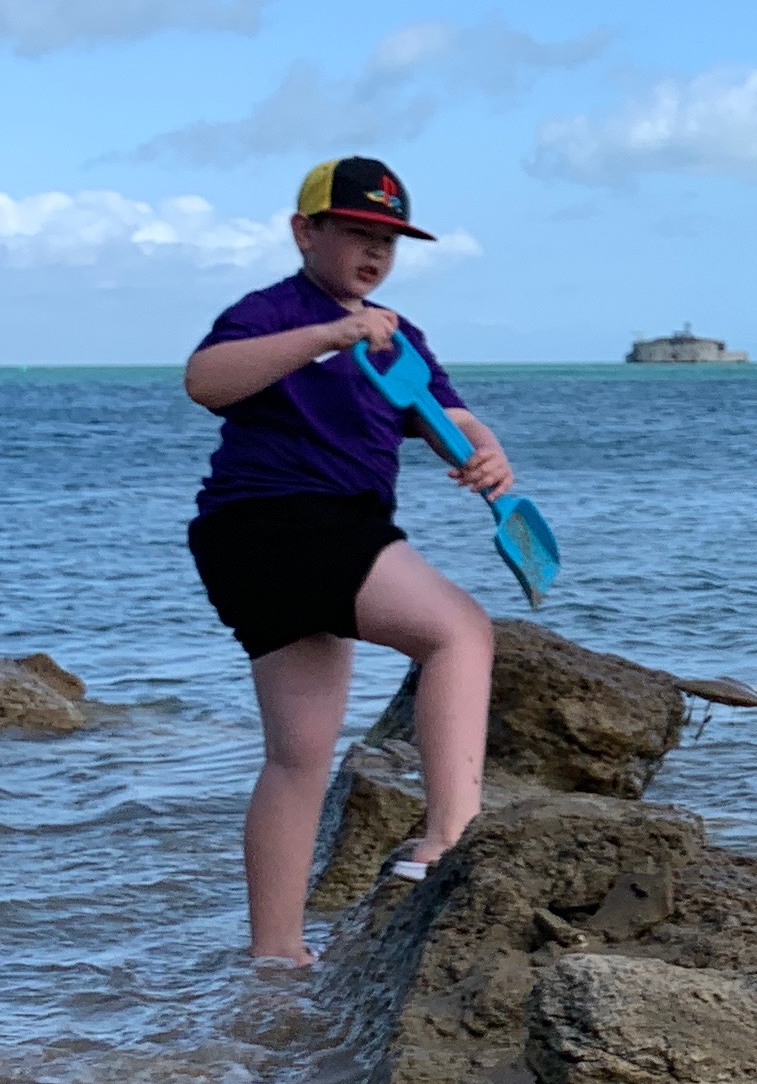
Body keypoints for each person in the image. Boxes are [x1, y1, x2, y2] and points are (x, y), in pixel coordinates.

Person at [180, 157, 513, 965]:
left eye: (389, 240)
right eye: (357, 233)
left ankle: (275, 959)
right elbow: (204, 380)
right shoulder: (274, 311)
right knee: (459, 632)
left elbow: (444, 415)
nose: (375, 253)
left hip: (291, 535)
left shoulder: (398, 335)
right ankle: (447, 835)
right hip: (280, 520)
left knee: (299, 755)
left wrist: (487, 452)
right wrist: (329, 335)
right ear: (305, 230)